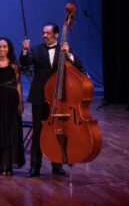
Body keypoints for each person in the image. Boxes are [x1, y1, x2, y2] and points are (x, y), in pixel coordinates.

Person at [20, 23, 84, 177]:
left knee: (58, 130)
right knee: (38, 131)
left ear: (56, 34)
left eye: (47, 33)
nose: (44, 35)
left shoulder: (63, 49)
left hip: (59, 98)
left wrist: (69, 55)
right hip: (40, 96)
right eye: (43, 33)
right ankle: (35, 166)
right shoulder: (36, 49)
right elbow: (25, 63)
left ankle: (57, 165)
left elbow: (79, 66)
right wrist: (25, 50)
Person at [0, 38, 25, 175]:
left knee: (11, 131)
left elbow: (18, 84)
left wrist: (21, 102)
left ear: (9, 48)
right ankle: (1, 164)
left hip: (12, 100)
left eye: (4, 46)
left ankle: (10, 164)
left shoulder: (14, 65)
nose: (2, 49)